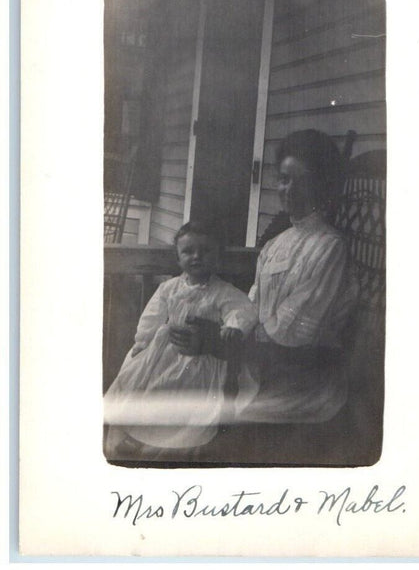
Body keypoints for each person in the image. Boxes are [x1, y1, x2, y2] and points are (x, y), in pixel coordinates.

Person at [169, 129, 359, 464]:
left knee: (206, 433)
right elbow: (251, 311)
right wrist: (215, 326)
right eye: (284, 179)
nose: (290, 191)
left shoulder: (330, 248)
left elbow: (293, 341)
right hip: (257, 369)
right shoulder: (275, 245)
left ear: (324, 184)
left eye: (303, 181)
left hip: (303, 383)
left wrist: (215, 342)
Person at [103, 220, 257, 462]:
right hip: (165, 352)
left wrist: (233, 327)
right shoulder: (169, 288)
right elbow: (152, 316)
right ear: (178, 258)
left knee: (183, 397)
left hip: (201, 361)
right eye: (188, 251)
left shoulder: (223, 291)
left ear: (217, 258)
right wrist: (142, 342)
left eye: (205, 251)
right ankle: (138, 432)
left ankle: (173, 442)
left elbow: (242, 309)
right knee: (149, 388)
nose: (197, 257)